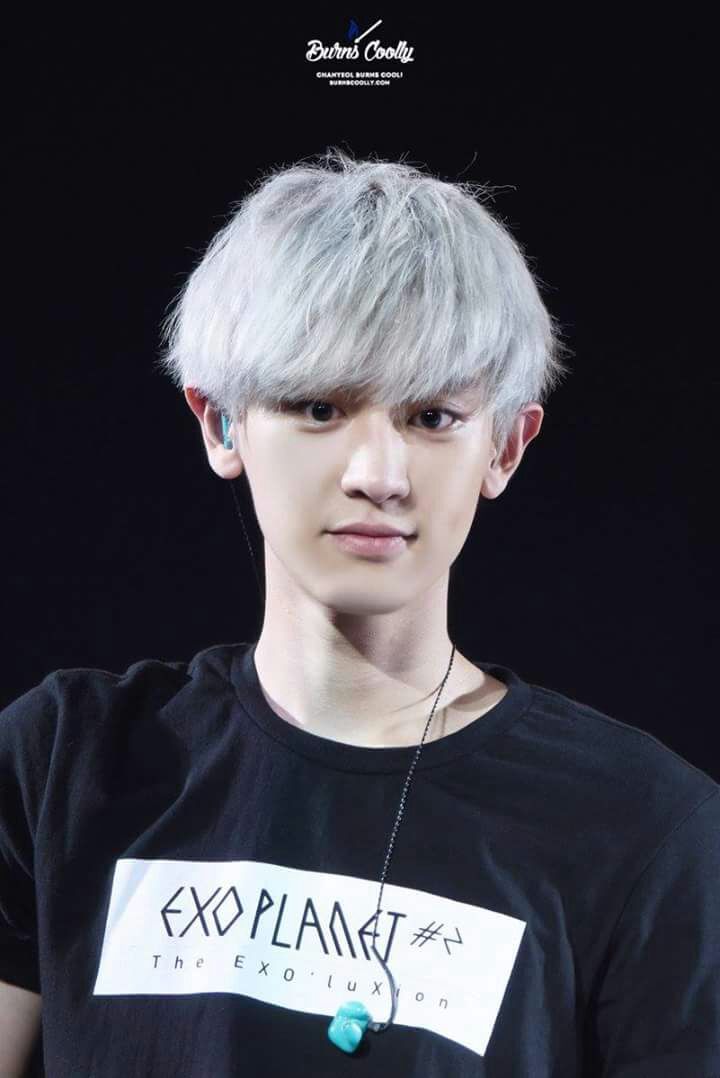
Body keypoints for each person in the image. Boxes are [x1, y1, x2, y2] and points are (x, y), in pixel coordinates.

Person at [1, 147, 718, 1076]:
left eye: (432, 417)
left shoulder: (643, 828)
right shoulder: (65, 765)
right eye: (318, 407)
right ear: (220, 422)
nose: (378, 475)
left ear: (506, 446)